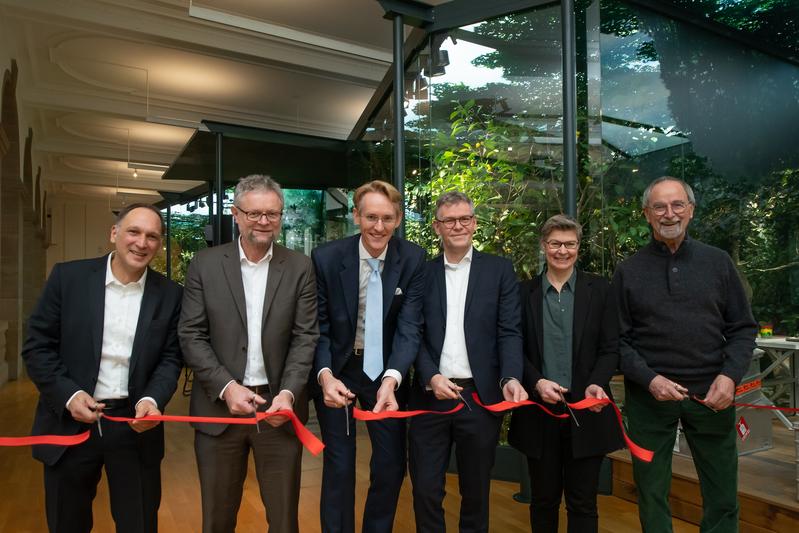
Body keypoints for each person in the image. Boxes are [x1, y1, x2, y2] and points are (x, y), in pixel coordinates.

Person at [21, 203, 183, 533]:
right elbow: (37, 346)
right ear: (114, 234)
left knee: (138, 523)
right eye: (134, 232)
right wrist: (69, 395)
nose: (142, 243)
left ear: (159, 243)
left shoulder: (171, 295)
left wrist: (152, 400)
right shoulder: (68, 279)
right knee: (68, 522)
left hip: (135, 428)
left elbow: (171, 358)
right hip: (70, 424)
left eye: (152, 236)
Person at [613, 176, 757, 532]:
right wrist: (650, 379)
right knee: (650, 491)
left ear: (691, 211)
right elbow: (617, 341)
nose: (669, 213)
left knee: (723, 493)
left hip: (712, 397)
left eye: (678, 205)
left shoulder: (719, 263)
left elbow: (743, 328)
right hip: (649, 399)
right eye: (659, 207)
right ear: (647, 214)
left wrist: (730, 376)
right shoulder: (628, 271)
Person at [179, 174, 318, 533]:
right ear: (235, 214)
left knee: (284, 520)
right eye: (254, 213)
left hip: (279, 412)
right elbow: (191, 334)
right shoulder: (205, 264)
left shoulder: (300, 267)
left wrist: (288, 393)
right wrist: (227, 386)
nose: (264, 222)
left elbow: (305, 337)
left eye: (272, 213)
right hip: (218, 413)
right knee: (217, 519)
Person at [408, 191, 528, 533]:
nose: (457, 226)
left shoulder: (500, 270)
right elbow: (412, 332)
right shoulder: (422, 273)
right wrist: (430, 376)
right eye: (449, 220)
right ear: (437, 227)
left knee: (476, 491)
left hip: (479, 398)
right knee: (426, 489)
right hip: (430, 397)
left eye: (464, 219)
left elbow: (509, 331)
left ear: (474, 224)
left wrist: (510, 378)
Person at [312, 179, 426, 533]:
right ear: (356, 216)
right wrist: (325, 375)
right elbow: (319, 326)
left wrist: (392, 379)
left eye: (387, 218)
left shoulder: (413, 258)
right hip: (339, 369)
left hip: (386, 373)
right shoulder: (327, 258)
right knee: (340, 464)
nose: (379, 227)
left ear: (399, 219)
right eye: (371, 217)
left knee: (391, 464)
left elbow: (409, 328)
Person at [507, 214, 624, 533]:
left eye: (570, 244)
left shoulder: (600, 289)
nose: (563, 251)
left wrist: (596, 384)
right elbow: (513, 347)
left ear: (578, 247)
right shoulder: (521, 293)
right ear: (544, 246)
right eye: (556, 243)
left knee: (583, 501)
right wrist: (536, 382)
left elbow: (610, 346)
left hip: (588, 410)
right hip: (538, 412)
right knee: (542, 500)